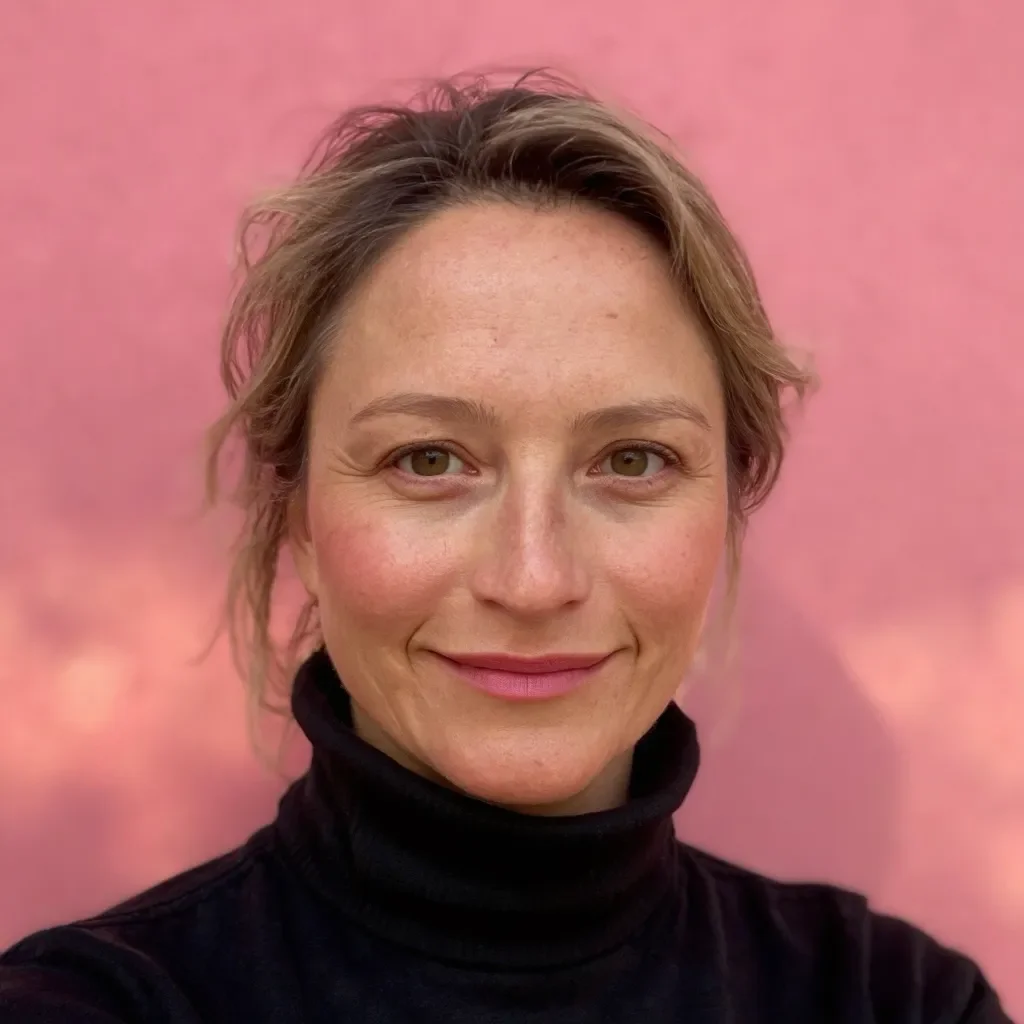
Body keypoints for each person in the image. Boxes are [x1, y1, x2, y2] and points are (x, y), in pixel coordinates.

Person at [0, 69, 1009, 1023]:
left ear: (727, 506)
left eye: (633, 459)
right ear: (299, 509)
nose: (533, 578)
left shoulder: (889, 999)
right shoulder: (97, 1003)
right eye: (429, 458)